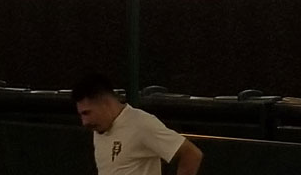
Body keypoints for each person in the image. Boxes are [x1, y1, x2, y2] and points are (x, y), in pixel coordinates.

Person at [72, 74, 203, 175]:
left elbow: (191, 154)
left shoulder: (141, 124)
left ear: (105, 103)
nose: (84, 122)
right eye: (81, 115)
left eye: (87, 113)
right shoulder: (100, 129)